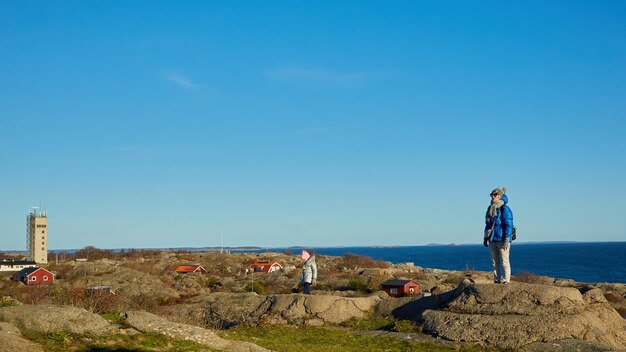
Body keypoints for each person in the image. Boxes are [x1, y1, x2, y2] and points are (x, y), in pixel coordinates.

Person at [483, 187, 514, 284]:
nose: (493, 196)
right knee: (494, 261)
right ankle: (496, 279)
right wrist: (485, 237)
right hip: (492, 238)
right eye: (492, 195)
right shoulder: (490, 208)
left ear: (500, 196)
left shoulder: (505, 208)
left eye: (495, 195)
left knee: (504, 261)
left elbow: (508, 224)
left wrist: (507, 238)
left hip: (502, 238)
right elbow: (487, 225)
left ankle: (506, 280)